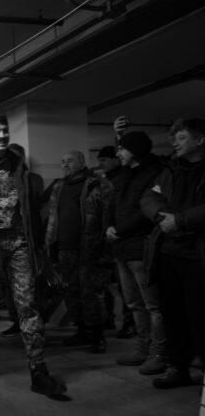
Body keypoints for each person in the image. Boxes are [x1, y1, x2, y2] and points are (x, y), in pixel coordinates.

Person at [0, 115, 66, 398]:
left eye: (5, 131)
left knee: (28, 306)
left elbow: (29, 211)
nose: (2, 135)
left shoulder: (18, 164)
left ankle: (38, 370)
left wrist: (38, 249)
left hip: (19, 244)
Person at [141, 118, 205, 390]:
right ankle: (178, 367)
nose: (174, 143)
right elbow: (149, 196)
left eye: (180, 137)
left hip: (198, 256)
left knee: (201, 316)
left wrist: (180, 220)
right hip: (169, 254)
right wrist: (160, 216)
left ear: (200, 140)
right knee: (173, 315)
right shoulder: (170, 169)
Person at [106, 131, 167, 375]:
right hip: (122, 248)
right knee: (134, 303)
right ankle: (142, 348)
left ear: (136, 150)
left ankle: (159, 353)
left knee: (154, 305)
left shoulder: (154, 174)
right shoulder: (125, 175)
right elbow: (114, 205)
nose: (118, 152)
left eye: (122, 148)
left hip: (141, 247)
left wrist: (118, 229)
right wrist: (109, 227)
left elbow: (146, 212)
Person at [44, 150, 113, 354]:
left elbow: (108, 216)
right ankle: (82, 331)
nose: (65, 165)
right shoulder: (59, 186)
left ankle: (97, 336)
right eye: (62, 161)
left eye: (70, 161)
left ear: (82, 162)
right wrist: (50, 244)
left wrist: (105, 246)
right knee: (71, 293)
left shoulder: (98, 184)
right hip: (65, 249)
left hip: (90, 249)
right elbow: (53, 217)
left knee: (91, 294)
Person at [97, 145, 137, 338]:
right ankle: (108, 318)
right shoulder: (102, 182)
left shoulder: (124, 178)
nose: (100, 163)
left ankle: (130, 322)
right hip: (105, 239)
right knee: (105, 282)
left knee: (125, 285)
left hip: (121, 238)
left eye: (104, 159)